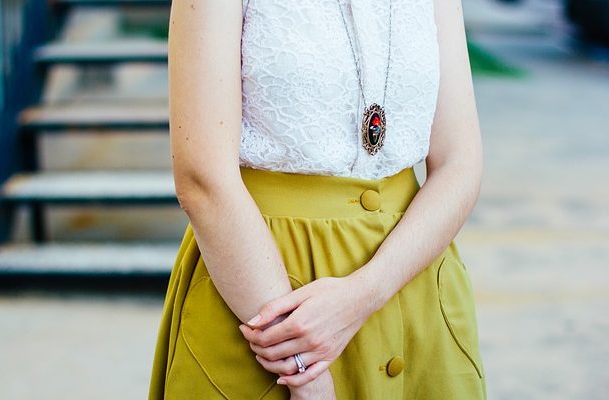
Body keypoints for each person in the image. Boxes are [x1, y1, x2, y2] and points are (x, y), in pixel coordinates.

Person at [149, 0, 487, 399]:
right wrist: (303, 371)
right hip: (266, 298)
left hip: (412, 281)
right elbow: (202, 180)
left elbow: (460, 162)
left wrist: (367, 293)